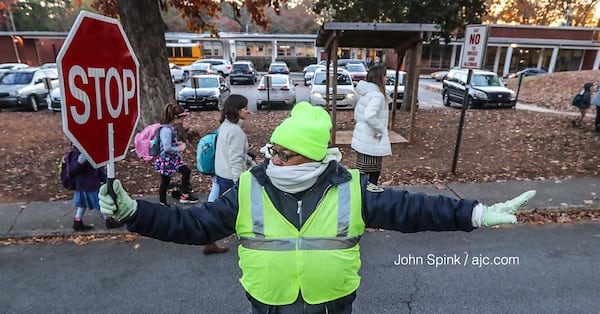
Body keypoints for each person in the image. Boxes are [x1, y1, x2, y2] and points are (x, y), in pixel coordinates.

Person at [99, 102, 536, 313]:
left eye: (284, 155)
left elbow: (414, 210)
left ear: (312, 157)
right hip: (269, 305)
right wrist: (132, 212)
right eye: (272, 151)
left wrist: (476, 213)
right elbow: (192, 225)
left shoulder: (350, 189)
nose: (274, 161)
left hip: (332, 306)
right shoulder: (250, 187)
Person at [204, 94, 255, 255]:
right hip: (230, 178)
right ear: (237, 110)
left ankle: (208, 239)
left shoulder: (224, 127)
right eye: (245, 108)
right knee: (232, 213)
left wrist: (251, 163)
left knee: (224, 211)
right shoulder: (235, 132)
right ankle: (210, 239)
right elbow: (235, 159)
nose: (248, 111)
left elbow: (233, 154)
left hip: (221, 174)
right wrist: (240, 183)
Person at [351, 64, 391, 185]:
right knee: (372, 174)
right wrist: (381, 129)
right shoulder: (377, 95)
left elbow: (358, 114)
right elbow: (369, 116)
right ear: (378, 78)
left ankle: (359, 197)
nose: (387, 79)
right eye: (385, 76)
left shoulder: (366, 92)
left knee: (362, 173)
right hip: (371, 141)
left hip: (363, 139)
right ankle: (368, 199)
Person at [67, 145, 122, 231]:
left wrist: (104, 178)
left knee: (82, 204)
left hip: (84, 184)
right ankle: (109, 221)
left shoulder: (86, 151)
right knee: (100, 202)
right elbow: (72, 169)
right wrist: (80, 161)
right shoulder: (77, 154)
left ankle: (77, 222)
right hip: (89, 184)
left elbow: (96, 167)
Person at [154, 103, 198, 206]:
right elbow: (167, 148)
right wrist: (179, 148)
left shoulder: (170, 128)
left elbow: (170, 143)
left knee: (186, 171)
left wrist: (177, 144)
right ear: (174, 117)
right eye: (181, 118)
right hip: (167, 160)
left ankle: (184, 194)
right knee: (165, 181)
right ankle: (162, 203)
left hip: (173, 159)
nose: (182, 121)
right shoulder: (166, 130)